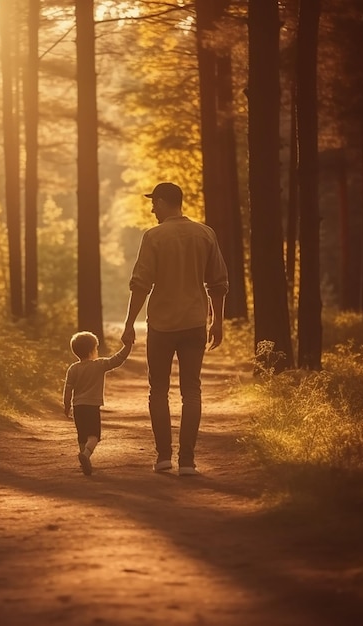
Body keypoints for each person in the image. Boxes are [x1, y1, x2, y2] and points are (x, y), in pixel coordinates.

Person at [121, 182, 229, 476]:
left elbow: (141, 284)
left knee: (158, 391)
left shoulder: (154, 236)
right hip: (195, 322)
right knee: (191, 391)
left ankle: (164, 457)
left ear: (162, 201)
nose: (152, 209)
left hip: (161, 326)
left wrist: (130, 323)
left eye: (153, 203)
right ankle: (188, 462)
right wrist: (217, 322)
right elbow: (218, 283)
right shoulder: (205, 234)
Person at [63, 331, 132, 476]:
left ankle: (84, 460)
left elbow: (68, 389)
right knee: (94, 436)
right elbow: (117, 359)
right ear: (92, 350)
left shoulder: (73, 368)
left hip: (78, 407)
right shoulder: (99, 365)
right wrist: (128, 346)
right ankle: (86, 455)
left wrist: (66, 405)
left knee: (82, 435)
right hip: (91, 407)